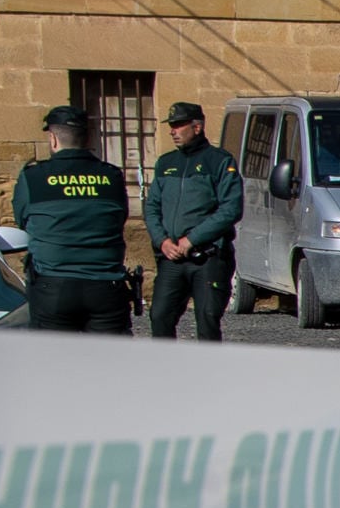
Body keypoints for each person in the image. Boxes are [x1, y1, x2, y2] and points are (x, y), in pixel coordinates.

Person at [12, 104, 133, 333]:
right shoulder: (111, 175)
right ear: (87, 138)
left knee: (55, 363)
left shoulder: (34, 176)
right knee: (111, 365)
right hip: (106, 285)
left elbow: (23, 221)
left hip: (54, 285)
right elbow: (120, 218)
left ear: (53, 139)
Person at [143, 100, 239, 341]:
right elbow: (152, 206)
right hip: (172, 257)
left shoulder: (219, 161)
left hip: (206, 256)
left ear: (197, 127)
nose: (172, 131)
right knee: (160, 315)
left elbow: (231, 209)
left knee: (207, 318)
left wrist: (193, 239)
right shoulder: (165, 164)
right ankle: (167, 371)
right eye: (171, 126)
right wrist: (162, 240)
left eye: (178, 125)